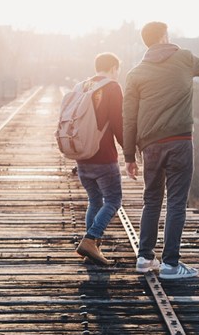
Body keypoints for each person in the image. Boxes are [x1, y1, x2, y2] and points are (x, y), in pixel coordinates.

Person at [123, 21, 199, 279]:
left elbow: (129, 117)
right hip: (179, 142)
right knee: (176, 202)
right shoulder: (183, 58)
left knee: (152, 200)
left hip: (150, 145)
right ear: (164, 37)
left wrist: (128, 156)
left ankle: (145, 258)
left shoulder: (135, 74)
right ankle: (170, 264)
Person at [75, 52, 124, 266]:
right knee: (113, 200)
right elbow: (118, 123)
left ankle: (91, 249)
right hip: (103, 157)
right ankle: (91, 238)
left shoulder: (83, 86)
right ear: (113, 68)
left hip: (82, 155)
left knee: (95, 200)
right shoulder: (112, 87)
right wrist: (129, 152)